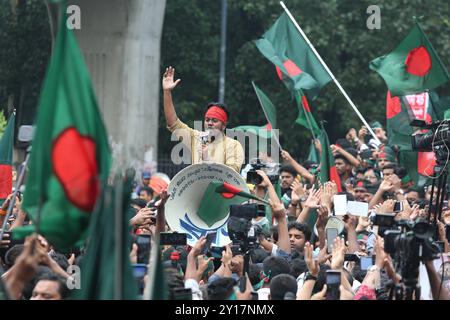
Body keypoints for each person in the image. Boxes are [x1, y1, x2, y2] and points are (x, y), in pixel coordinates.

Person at [162, 66, 244, 172]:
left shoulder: (233, 145)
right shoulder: (196, 138)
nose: (210, 123)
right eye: (207, 120)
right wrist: (167, 92)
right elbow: (173, 123)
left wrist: (208, 160)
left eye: (214, 121)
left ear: (223, 125)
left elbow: (232, 175)